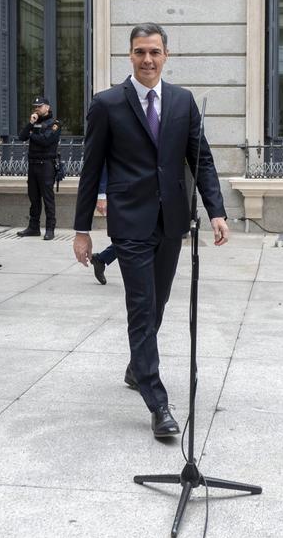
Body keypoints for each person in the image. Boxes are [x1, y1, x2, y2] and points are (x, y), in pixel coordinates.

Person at [72, 23, 230, 438]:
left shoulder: (182, 100)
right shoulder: (107, 103)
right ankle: (157, 402)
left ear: (166, 55)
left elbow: (202, 159)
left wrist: (216, 210)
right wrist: (82, 228)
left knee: (157, 304)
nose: (147, 59)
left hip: (172, 221)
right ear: (130, 55)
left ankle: (135, 367)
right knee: (142, 308)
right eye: (140, 52)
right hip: (130, 221)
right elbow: (91, 169)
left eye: (155, 52)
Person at [16, 96, 60, 240]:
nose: (37, 109)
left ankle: (50, 229)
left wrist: (32, 135)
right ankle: (33, 228)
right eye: (35, 107)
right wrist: (30, 124)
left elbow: (46, 141)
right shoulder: (34, 123)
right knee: (33, 198)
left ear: (47, 107)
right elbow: (21, 137)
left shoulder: (55, 124)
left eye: (39, 106)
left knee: (48, 199)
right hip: (33, 164)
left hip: (46, 165)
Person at [89, 167, 118, 285]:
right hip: (124, 193)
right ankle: (101, 259)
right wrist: (101, 194)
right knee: (130, 236)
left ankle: (101, 259)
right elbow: (105, 161)